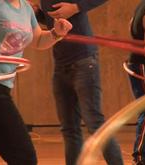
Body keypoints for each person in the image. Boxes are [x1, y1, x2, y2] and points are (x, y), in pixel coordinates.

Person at [0, 0, 72, 164]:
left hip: (2, 88)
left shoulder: (25, 8)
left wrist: (55, 34)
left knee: (24, 157)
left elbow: (37, 40)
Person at [34, 1, 124, 165]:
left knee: (94, 122)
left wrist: (76, 7)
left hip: (84, 60)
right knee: (69, 128)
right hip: (61, 63)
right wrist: (38, 13)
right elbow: (52, 21)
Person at [127, 0, 145, 164]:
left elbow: (131, 30)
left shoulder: (142, 5)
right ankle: (143, 155)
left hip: (138, 64)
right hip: (144, 66)